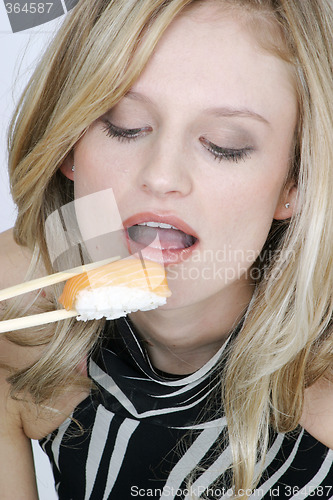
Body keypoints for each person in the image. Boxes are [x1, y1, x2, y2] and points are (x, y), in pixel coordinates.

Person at [0, 0, 333, 498]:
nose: (160, 176)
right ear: (69, 145)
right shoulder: (18, 328)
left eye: (224, 145)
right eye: (125, 125)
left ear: (295, 183)